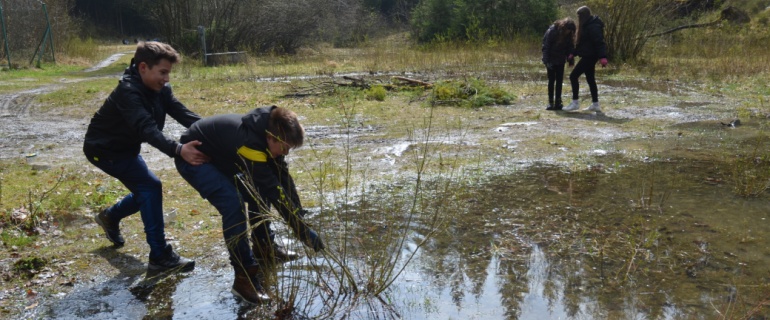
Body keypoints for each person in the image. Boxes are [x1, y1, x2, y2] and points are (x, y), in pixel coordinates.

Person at [175, 106, 325, 304]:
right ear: (271, 138)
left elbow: (282, 177)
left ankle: (264, 247)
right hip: (194, 159)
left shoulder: (268, 134)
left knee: (260, 191)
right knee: (233, 204)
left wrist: (298, 214)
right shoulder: (250, 144)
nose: (286, 153)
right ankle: (244, 279)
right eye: (285, 148)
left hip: (221, 158)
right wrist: (300, 230)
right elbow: (272, 188)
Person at [84, 41, 210, 272]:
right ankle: (160, 256)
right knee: (150, 187)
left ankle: (110, 217)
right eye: (163, 72)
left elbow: (182, 112)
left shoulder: (159, 89)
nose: (167, 79)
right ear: (143, 67)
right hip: (103, 150)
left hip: (125, 149)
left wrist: (213, 130)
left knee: (146, 189)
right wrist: (178, 149)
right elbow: (147, 129)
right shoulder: (128, 92)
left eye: (168, 73)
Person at [564, 6, 608, 113]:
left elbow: (599, 42)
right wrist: (573, 54)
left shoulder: (593, 26)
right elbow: (583, 45)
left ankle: (575, 103)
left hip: (590, 57)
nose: (578, 18)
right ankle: (595, 104)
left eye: (579, 16)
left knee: (573, 76)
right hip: (588, 55)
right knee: (590, 79)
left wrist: (603, 57)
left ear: (584, 15)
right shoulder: (588, 25)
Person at [542, 17, 576, 111]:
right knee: (551, 80)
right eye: (568, 29)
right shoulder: (552, 31)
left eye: (571, 30)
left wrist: (571, 59)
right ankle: (550, 102)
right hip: (551, 59)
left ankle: (558, 102)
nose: (569, 32)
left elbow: (570, 47)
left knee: (559, 81)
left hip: (560, 60)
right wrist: (546, 61)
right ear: (564, 27)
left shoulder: (569, 35)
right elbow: (546, 46)